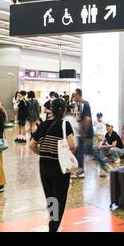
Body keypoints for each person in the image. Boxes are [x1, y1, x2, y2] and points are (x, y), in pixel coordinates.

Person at [29, 98, 75, 232]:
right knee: (59, 197)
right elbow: (72, 145)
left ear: (51, 110)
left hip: (44, 166)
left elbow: (32, 145)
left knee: (51, 197)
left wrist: (42, 153)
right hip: (60, 167)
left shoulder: (43, 125)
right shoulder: (65, 125)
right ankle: (53, 227)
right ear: (65, 110)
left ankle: (52, 222)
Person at [73, 89, 112, 178]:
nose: (74, 98)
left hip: (86, 134)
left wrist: (84, 132)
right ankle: (103, 165)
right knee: (88, 151)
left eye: (75, 96)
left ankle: (81, 169)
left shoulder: (85, 104)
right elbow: (85, 118)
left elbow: (87, 119)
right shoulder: (84, 105)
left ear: (79, 95)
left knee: (82, 151)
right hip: (86, 133)